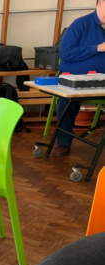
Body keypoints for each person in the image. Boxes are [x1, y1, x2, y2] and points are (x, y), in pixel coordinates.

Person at [53, 0, 105, 157]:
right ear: (100, 3)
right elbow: (66, 53)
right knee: (66, 101)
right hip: (76, 79)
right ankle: (63, 142)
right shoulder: (80, 24)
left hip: (103, 81)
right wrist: (98, 48)